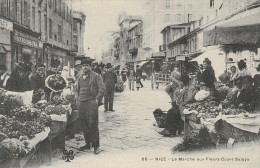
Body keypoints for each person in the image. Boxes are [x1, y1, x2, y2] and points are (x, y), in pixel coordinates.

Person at [76, 59, 105, 154]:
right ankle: (88, 144)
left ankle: (96, 146)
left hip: (91, 103)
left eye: (87, 65)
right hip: (81, 103)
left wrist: (97, 100)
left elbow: (102, 89)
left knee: (93, 124)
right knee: (83, 124)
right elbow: (78, 89)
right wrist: (77, 100)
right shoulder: (80, 77)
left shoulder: (96, 76)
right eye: (83, 65)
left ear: (90, 66)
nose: (85, 67)